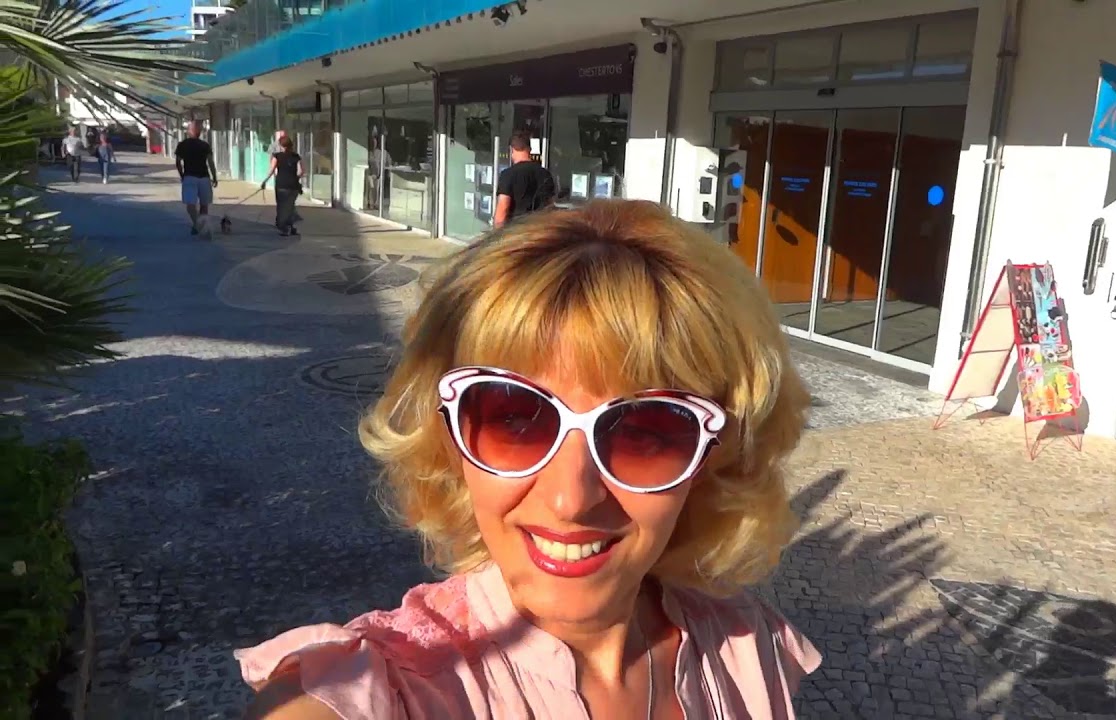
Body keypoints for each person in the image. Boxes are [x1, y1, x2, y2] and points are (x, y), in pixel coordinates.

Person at [238, 199, 820, 719]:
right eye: (514, 419)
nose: (571, 498)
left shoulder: (748, 650)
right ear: (447, 439)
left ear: (716, 458)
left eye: (646, 432)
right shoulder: (393, 688)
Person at [494, 130, 556, 227]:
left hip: (516, 231)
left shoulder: (508, 175)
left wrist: (497, 233)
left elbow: (503, 209)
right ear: (530, 149)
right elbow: (550, 207)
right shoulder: (545, 174)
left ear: (511, 150)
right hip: (539, 230)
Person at [174, 120, 218, 236]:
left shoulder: (182, 145)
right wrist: (214, 176)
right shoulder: (205, 145)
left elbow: (178, 163)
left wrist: (182, 175)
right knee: (204, 204)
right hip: (204, 177)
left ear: (189, 131)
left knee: (190, 205)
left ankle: (197, 224)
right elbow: (210, 162)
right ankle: (201, 225)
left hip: (189, 177)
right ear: (199, 132)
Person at [260, 135, 305, 237]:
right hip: (293, 186)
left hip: (282, 185)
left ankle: (284, 228)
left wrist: (265, 181)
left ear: (281, 146)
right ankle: (290, 226)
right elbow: (301, 171)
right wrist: (295, 178)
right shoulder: (296, 157)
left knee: (282, 207)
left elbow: (271, 170)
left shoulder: (277, 156)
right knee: (290, 207)